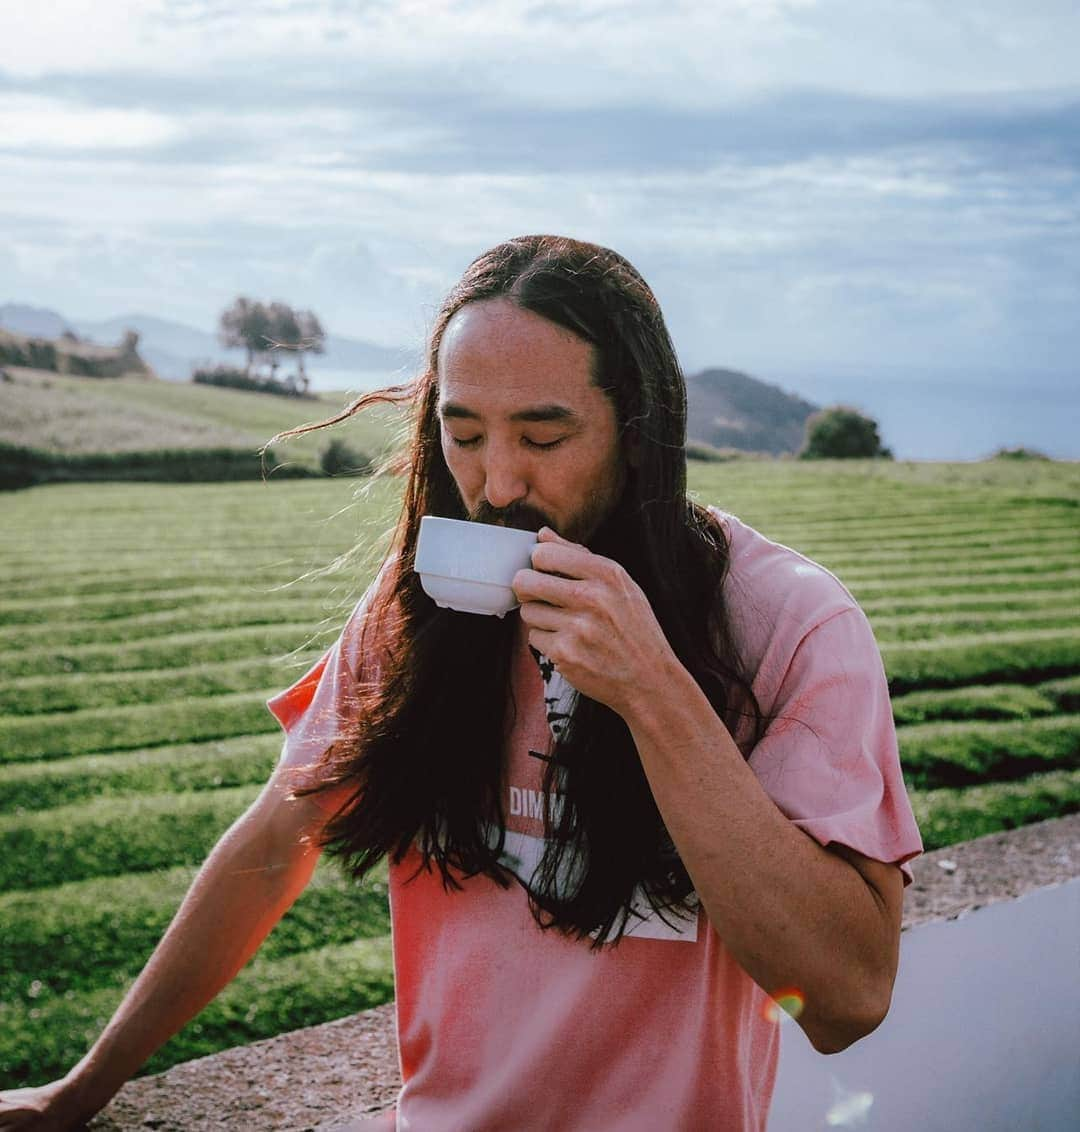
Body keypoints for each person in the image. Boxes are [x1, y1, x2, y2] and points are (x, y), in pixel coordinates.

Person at [0, 235, 922, 1131]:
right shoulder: (421, 608)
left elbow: (846, 998)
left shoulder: (789, 623)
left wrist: (654, 694)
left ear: (638, 431)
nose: (497, 481)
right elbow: (280, 835)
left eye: (543, 436)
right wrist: (82, 1090)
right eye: (465, 433)